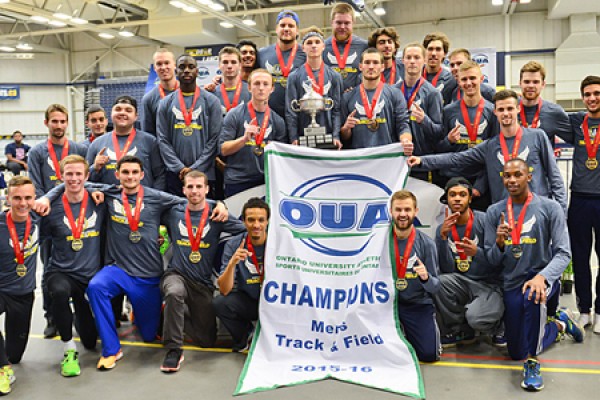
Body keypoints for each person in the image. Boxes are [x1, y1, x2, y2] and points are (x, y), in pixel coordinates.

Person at [483, 158, 583, 391]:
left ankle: (532, 364)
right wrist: (498, 243)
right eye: (507, 176)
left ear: (529, 176)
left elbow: (563, 253)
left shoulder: (550, 208)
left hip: (541, 277)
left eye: (518, 174)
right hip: (512, 281)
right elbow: (490, 261)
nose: (512, 180)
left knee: (534, 295)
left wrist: (543, 277)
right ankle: (560, 324)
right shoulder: (494, 212)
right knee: (515, 350)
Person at [408, 90, 567, 212]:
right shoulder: (490, 146)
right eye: (501, 109)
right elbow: (455, 158)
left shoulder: (537, 136)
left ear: (518, 109)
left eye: (510, 108)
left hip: (537, 211)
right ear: (495, 112)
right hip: (504, 214)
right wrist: (422, 161)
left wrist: (560, 210)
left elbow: (554, 176)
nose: (506, 113)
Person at [160, 171, 245, 372]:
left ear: (207, 189)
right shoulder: (174, 212)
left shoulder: (218, 215)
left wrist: (220, 204)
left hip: (202, 284)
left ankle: (170, 313)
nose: (194, 191)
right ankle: (173, 350)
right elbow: (149, 214)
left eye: (199, 187)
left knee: (207, 341)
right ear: (183, 190)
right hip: (176, 274)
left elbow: (244, 229)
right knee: (174, 292)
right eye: (190, 187)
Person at [41, 155, 104, 377]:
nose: (74, 178)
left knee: (90, 341)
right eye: (69, 174)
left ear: (87, 176)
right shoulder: (51, 208)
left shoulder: (99, 201)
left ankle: (80, 317)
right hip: (61, 272)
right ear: (61, 176)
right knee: (58, 291)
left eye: (79, 174)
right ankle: (68, 349)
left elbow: (123, 189)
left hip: (89, 276)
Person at [27, 103, 87, 339]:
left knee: (81, 262)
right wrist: (51, 207)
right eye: (55, 121)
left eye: (63, 121)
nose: (59, 125)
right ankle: (51, 317)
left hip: (78, 215)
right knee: (50, 268)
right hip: (49, 218)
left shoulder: (79, 148)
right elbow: (37, 187)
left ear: (67, 123)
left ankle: (82, 313)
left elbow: (84, 179)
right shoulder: (37, 152)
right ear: (47, 123)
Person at [433, 177, 504, 347]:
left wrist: (476, 253)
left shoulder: (485, 220)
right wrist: (442, 238)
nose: (457, 198)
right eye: (452, 195)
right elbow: (446, 269)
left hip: (489, 284)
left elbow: (497, 261)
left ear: (470, 199)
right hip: (462, 282)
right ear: (447, 200)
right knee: (438, 282)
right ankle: (463, 330)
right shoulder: (442, 228)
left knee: (476, 318)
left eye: (462, 195)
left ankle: (500, 324)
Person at [435, 60, 499, 209]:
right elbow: (439, 148)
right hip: (453, 182)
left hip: (480, 183)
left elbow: (494, 153)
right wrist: (449, 141)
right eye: (464, 79)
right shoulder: (448, 111)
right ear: (458, 81)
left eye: (472, 78)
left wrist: (480, 186)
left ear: (481, 79)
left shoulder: (492, 112)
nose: (468, 83)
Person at [564, 75, 600, 332]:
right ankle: (584, 310)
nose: (592, 98)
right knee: (580, 257)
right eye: (587, 94)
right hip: (579, 199)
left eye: (596, 93)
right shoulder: (576, 121)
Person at [157, 54, 222, 197]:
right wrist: (179, 168)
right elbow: (163, 139)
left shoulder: (212, 101)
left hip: (205, 173)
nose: (186, 70)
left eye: (191, 67)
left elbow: (214, 139)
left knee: (204, 216)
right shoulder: (165, 103)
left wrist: (195, 168)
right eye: (182, 67)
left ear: (197, 72)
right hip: (175, 174)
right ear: (176, 72)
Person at [389, 190, 440, 362]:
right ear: (391, 211)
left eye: (407, 210)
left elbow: (436, 286)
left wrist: (425, 277)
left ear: (415, 211)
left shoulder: (427, 244)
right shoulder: (380, 242)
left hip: (416, 304)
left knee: (429, 355)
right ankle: (401, 333)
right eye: (398, 210)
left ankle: (410, 332)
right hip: (386, 306)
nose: (403, 214)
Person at [220, 69, 289, 197]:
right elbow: (223, 150)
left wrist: (273, 149)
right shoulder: (234, 115)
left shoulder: (278, 121)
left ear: (272, 88)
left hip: (265, 182)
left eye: (265, 84)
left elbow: (281, 157)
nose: (261, 88)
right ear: (250, 87)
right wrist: (244, 139)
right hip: (238, 181)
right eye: (257, 84)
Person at [213, 197, 270, 352]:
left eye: (261, 220)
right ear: (244, 222)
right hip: (250, 301)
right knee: (221, 303)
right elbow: (224, 290)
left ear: (267, 222)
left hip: (275, 302)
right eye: (251, 220)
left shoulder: (278, 243)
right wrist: (232, 263)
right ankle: (244, 337)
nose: (256, 225)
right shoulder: (234, 244)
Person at [0, 176, 39, 395]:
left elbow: (75, 187)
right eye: (17, 198)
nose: (22, 203)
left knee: (14, 355)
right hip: (1, 290)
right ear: (8, 198)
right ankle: (2, 369)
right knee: (6, 362)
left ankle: (7, 361)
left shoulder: (40, 220)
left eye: (27, 198)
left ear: (35, 199)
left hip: (23, 295)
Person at [86, 96, 166, 190]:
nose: (122, 113)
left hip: (142, 201)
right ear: (111, 113)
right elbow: (85, 180)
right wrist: (94, 168)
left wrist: (153, 200)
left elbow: (160, 176)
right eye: (118, 109)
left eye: (128, 110)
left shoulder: (150, 142)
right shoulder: (96, 144)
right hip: (109, 202)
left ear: (136, 116)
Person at [340, 48, 412, 151]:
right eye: (367, 62)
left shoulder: (395, 94)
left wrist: (405, 140)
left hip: (386, 157)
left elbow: (403, 125)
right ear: (360, 66)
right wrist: (346, 128)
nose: (371, 66)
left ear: (382, 67)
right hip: (359, 159)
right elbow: (344, 138)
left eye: (375, 62)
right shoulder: (347, 97)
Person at [286, 26, 343, 148]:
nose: (313, 46)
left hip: (328, 136)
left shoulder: (335, 76)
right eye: (309, 43)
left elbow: (337, 110)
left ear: (323, 47)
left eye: (317, 42)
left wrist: (336, 135)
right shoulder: (294, 77)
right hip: (302, 137)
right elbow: (291, 111)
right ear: (303, 48)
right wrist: (293, 137)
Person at [396, 42, 442, 183]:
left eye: (416, 57)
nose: (412, 61)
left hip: (421, 162)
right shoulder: (393, 91)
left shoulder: (432, 93)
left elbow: (439, 132)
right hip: (397, 161)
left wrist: (424, 120)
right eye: (408, 57)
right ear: (402, 60)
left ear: (424, 61)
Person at [259, 10, 306, 119]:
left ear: (297, 31)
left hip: (298, 116)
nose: (286, 29)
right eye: (282, 25)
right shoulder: (262, 54)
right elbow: (248, 77)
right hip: (269, 117)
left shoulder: (306, 54)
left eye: (291, 26)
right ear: (276, 29)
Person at [518, 61, 571, 147]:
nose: (531, 85)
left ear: (543, 84)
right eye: (527, 82)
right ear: (520, 83)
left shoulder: (554, 112)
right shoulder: (509, 110)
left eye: (535, 82)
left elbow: (577, 139)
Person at [323, 2, 368, 92]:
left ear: (353, 23)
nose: (342, 27)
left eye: (347, 23)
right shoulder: (322, 47)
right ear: (332, 23)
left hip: (356, 101)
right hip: (330, 102)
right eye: (338, 23)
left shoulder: (364, 46)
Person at [140, 48, 179, 136]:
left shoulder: (189, 93)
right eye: (159, 64)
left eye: (167, 63)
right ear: (154, 68)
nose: (163, 67)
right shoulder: (148, 99)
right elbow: (148, 134)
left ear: (174, 65)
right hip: (161, 149)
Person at [213, 47, 251, 116]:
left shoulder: (251, 91)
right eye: (225, 62)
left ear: (240, 65)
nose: (229, 66)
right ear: (219, 65)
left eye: (233, 62)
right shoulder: (212, 93)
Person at [422, 32, 456, 105]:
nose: (433, 53)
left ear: (444, 54)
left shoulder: (451, 80)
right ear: (424, 52)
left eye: (438, 49)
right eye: (430, 49)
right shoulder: (415, 76)